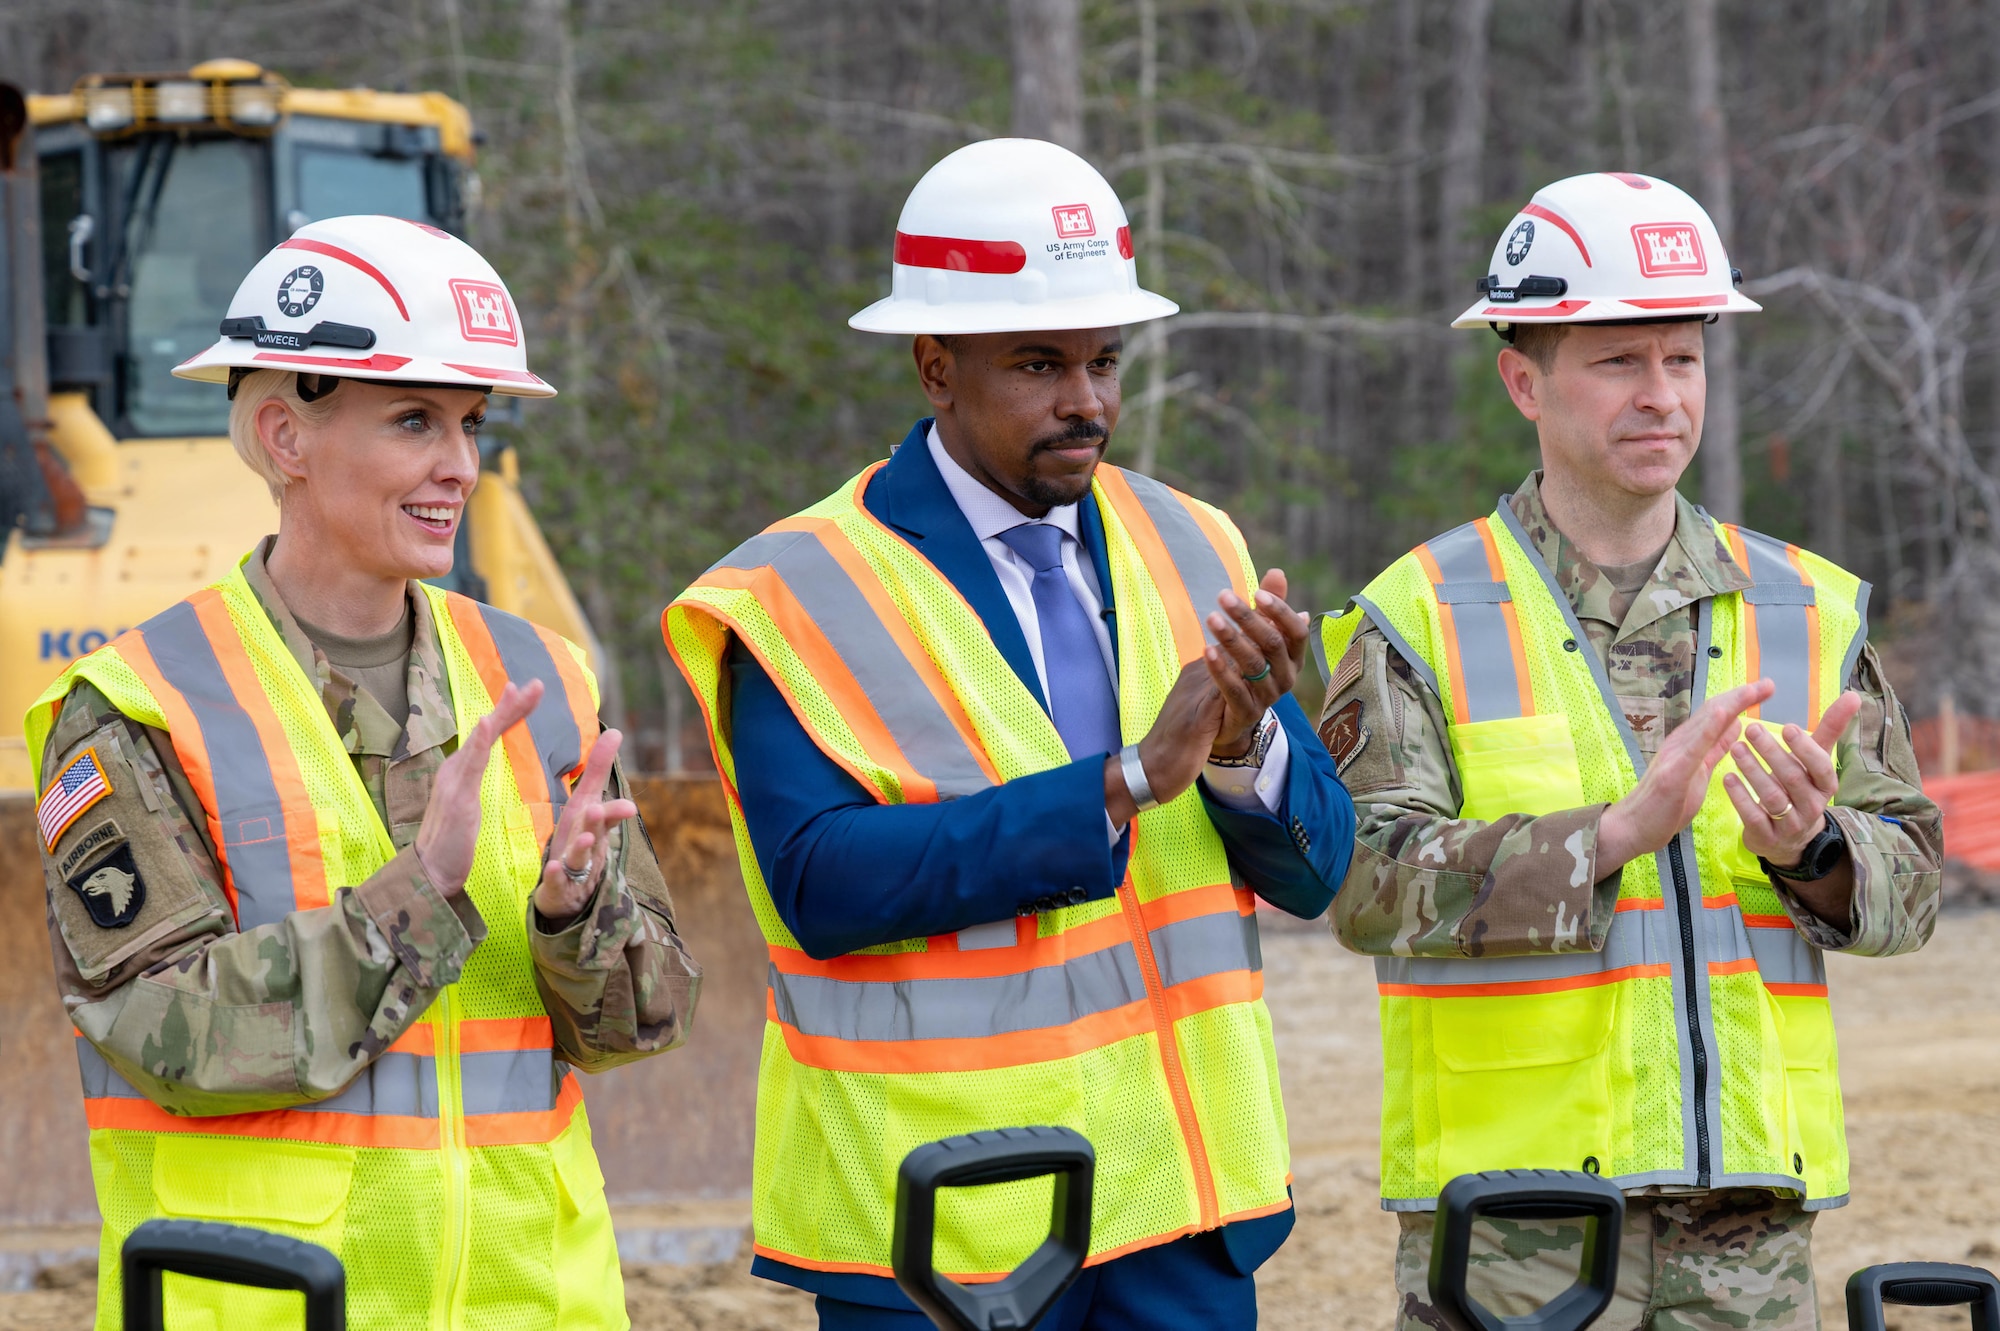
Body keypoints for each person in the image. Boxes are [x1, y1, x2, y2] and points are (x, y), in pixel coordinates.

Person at [665, 138, 1355, 1329]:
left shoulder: (1193, 542)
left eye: (1101, 360)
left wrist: (1243, 751)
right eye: (1039, 363)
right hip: (937, 1230)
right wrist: (1130, 777)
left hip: (1177, 1215)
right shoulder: (792, 589)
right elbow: (819, 884)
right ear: (935, 367)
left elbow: (1317, 870)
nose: (1084, 399)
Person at [26, 215, 700, 1331]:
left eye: (470, 424)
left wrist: (577, 914)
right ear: (287, 437)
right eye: (411, 421)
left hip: (528, 1303)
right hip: (259, 1305)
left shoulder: (539, 674)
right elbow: (161, 1031)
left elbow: (642, 1022)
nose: (460, 466)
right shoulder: (140, 701)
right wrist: (412, 901)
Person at [1317, 173, 1942, 1331]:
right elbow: (1356, 878)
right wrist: (1605, 840)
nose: (1660, 396)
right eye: (1616, 362)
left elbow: (1909, 891)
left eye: (1682, 359)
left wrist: (1815, 849)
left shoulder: (1808, 607)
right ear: (1523, 378)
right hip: (1512, 1219)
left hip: (1749, 1220)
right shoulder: (1414, 613)